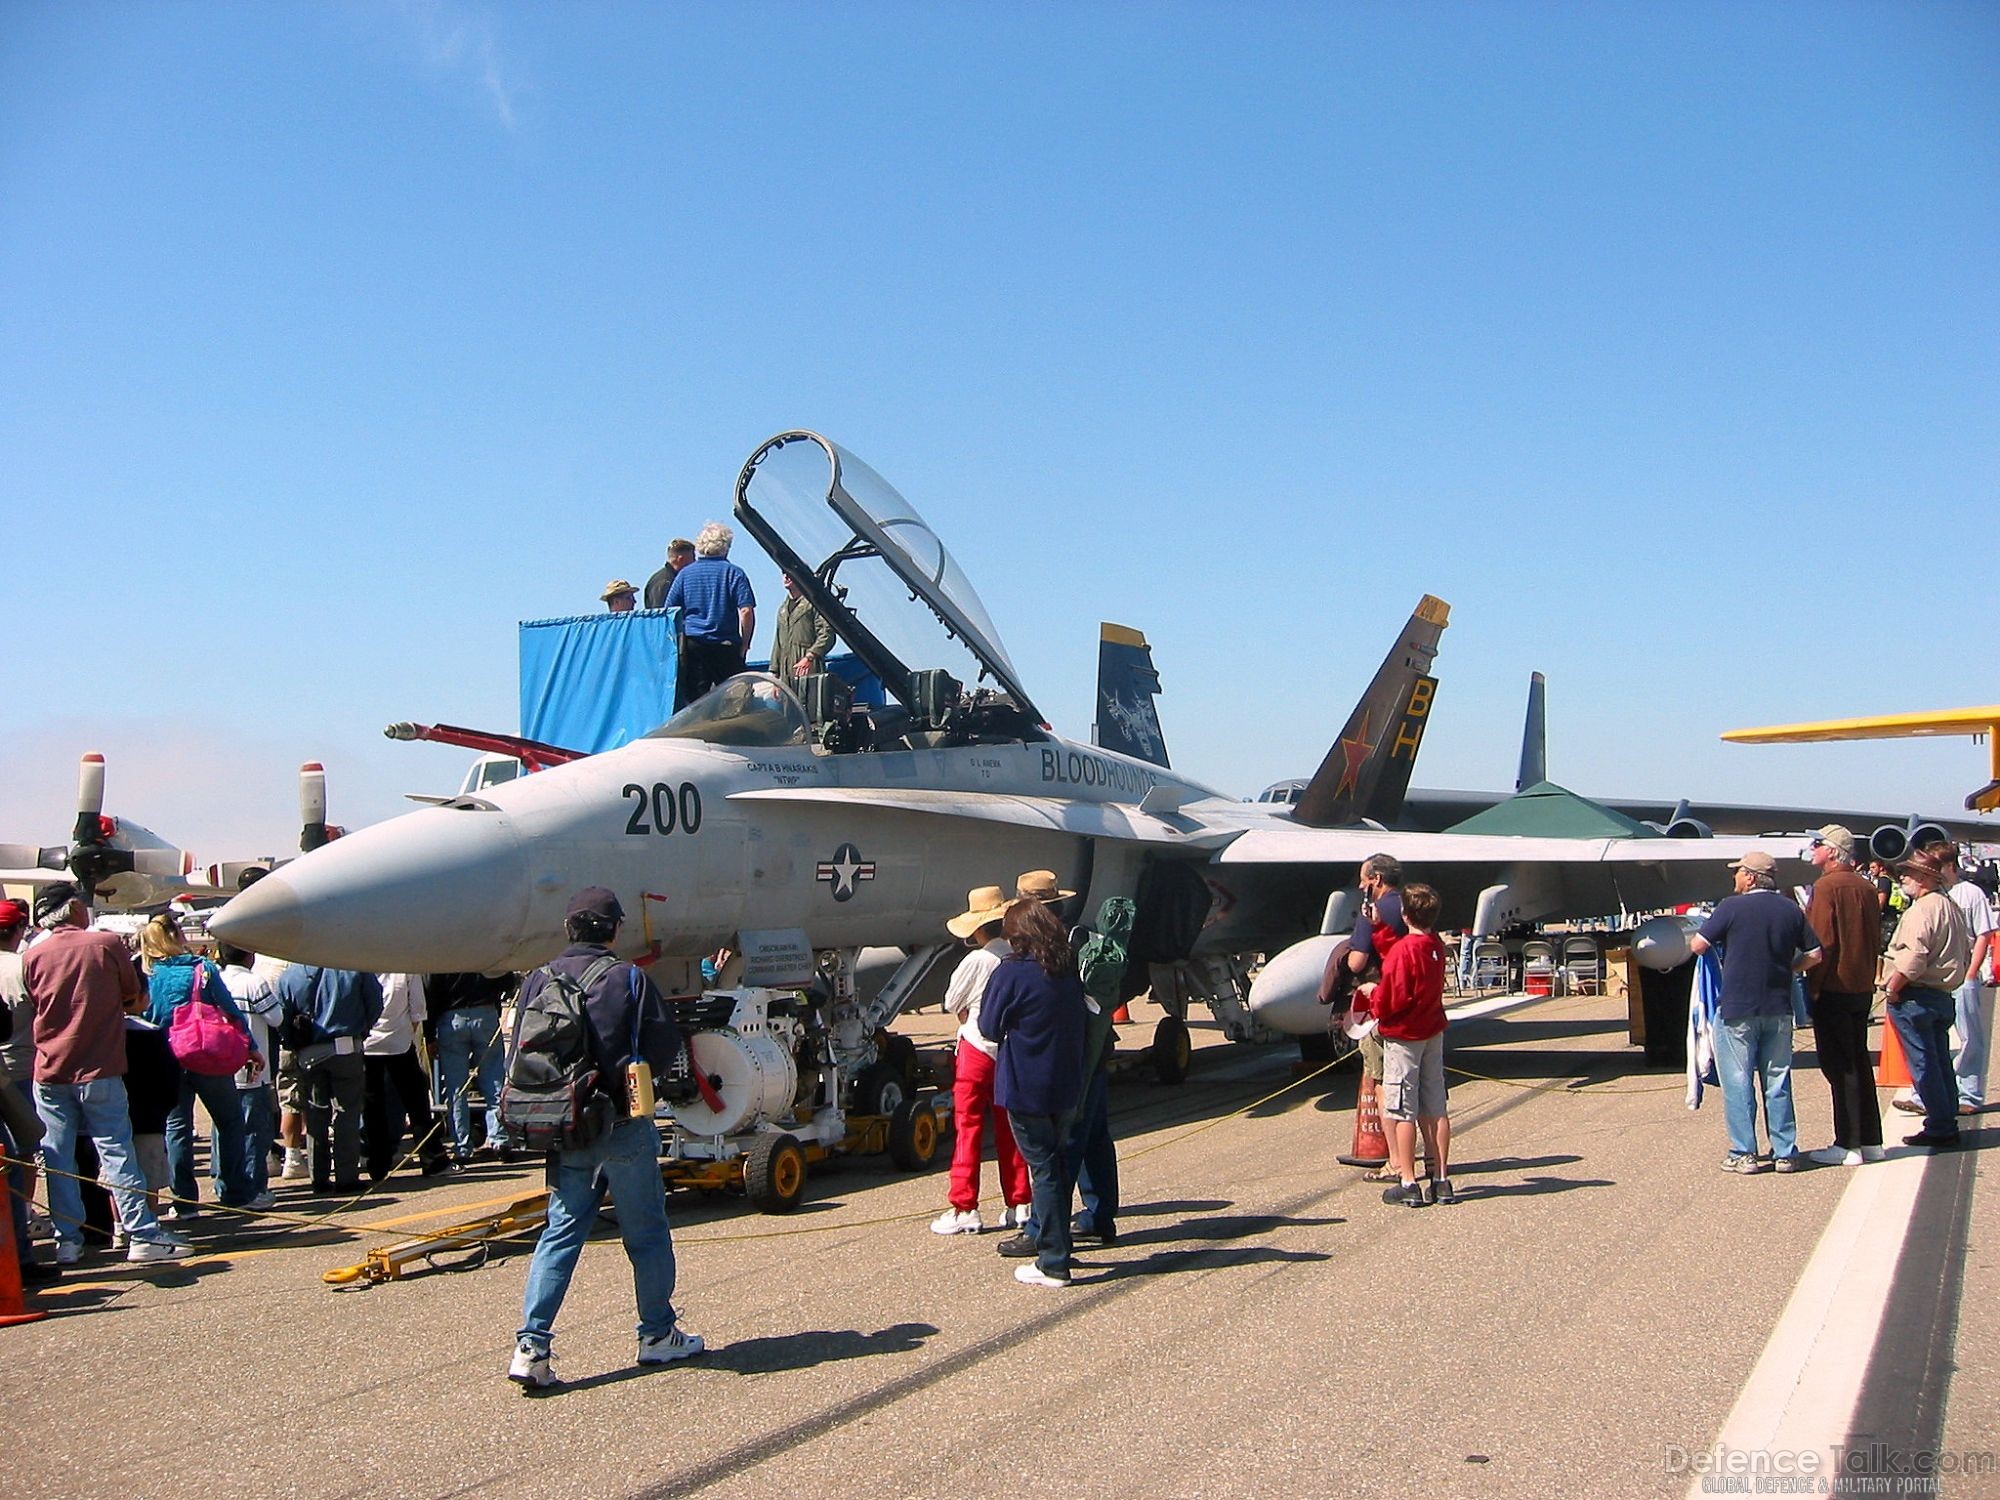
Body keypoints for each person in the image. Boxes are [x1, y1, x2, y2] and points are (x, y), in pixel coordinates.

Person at [509, 887, 702, 1390]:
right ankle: (657, 1335)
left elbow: (518, 1052)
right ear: (615, 929)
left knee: (561, 1232)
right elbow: (661, 1045)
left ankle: (532, 1346)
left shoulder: (537, 979)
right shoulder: (627, 979)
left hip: (564, 1127)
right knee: (647, 1233)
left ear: (569, 927)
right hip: (620, 1122)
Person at [20, 883, 191, 1263]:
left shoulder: (33, 955)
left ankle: (68, 1239)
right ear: (74, 909)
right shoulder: (105, 945)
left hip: (49, 1067)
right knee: (115, 1150)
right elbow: (134, 996)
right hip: (99, 1065)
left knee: (58, 1157)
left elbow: (35, 1002)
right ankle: (141, 1234)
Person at [976, 897, 1089, 1288]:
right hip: (1065, 1080)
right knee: (1055, 1167)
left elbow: (989, 1027)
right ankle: (1054, 1246)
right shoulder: (1066, 967)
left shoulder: (1010, 972)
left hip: (1026, 1082)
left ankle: (1054, 1261)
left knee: (1042, 1169)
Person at [1689, 852, 1822, 1174]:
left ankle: (1744, 1152)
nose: (1734, 878)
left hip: (1737, 1007)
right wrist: (1790, 969)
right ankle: (1785, 1152)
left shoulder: (1730, 908)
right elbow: (1815, 954)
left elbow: (1697, 945)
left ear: (1750, 877)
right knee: (1777, 1080)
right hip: (1778, 1006)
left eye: (1738, 873)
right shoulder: (1790, 909)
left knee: (1738, 1081)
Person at [141, 912, 262, 1213]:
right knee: (230, 1121)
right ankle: (234, 1190)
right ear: (178, 937)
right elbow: (231, 1010)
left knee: (177, 1127)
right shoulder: (201, 968)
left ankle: (184, 1200)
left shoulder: (148, 973)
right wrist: (251, 1047)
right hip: (205, 1053)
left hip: (166, 1057)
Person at [930, 886, 1032, 1237]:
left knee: (969, 1128)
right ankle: (1019, 1202)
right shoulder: (1018, 956)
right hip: (1008, 1050)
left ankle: (965, 1206)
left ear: (976, 928)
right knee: (1010, 1128)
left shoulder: (975, 960)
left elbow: (951, 1002)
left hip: (975, 1047)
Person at [1357, 882, 1452, 1206]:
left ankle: (1408, 1180)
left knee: (1402, 1111)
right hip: (1431, 1030)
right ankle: (1441, 1179)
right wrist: (1378, 928)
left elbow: (1391, 997)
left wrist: (1373, 996)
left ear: (1405, 912)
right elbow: (1398, 954)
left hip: (1404, 1036)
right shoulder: (1434, 944)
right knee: (1435, 1107)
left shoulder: (1404, 951)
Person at [1801, 826, 1885, 1166]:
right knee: (1860, 1061)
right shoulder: (1866, 887)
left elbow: (1822, 943)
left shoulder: (1826, 887)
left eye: (1818, 844)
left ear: (1833, 852)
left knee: (1839, 1064)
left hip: (1834, 985)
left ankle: (1847, 1142)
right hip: (1861, 985)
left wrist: (1815, 985)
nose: (1813, 848)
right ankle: (1871, 1139)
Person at [1881, 845, 1972, 1150]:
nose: (1903, 877)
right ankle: (1945, 1119)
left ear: (1923, 877)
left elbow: (1914, 958)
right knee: (1939, 1062)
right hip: (1941, 995)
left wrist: (1893, 987)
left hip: (1916, 996)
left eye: (1907, 872)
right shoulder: (1949, 906)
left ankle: (1940, 1124)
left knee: (1925, 1065)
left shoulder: (1922, 910)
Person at [274, 964, 382, 1193]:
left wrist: (293, 1042)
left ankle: (319, 1177)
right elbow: (375, 1003)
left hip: (310, 1052)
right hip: (345, 1046)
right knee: (347, 1113)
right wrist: (363, 1028)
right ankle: (346, 1176)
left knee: (315, 1114)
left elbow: (282, 1018)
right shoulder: (351, 967)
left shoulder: (290, 975)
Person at [215, 941, 283, 1207]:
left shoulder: (216, 981)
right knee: (255, 1131)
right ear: (249, 956)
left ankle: (226, 1185)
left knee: (224, 1130)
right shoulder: (254, 983)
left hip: (221, 1067)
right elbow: (276, 1017)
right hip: (252, 1069)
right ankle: (254, 1188)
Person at [363, 973, 449, 1181]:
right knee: (417, 1104)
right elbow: (418, 1009)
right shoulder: (404, 968)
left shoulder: (362, 965)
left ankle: (377, 1163)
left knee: (373, 1108)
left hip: (368, 1044)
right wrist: (406, 1032)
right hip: (399, 1042)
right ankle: (431, 1158)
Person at [664, 521, 756, 707]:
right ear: (726, 547)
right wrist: (745, 643)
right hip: (726, 646)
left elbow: (669, 612)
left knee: (696, 704)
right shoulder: (734, 573)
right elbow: (746, 611)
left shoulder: (684, 575)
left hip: (695, 645)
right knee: (738, 700)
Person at [427, 971, 517, 1163]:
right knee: (494, 1082)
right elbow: (507, 980)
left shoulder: (441, 953)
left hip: (451, 1017)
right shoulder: (482, 947)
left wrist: (429, 1035)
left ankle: (462, 1147)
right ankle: (499, 1140)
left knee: (456, 1089)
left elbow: (431, 992)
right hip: (485, 1012)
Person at [1944, 847, 1996, 1117]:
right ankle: (1927, 1094)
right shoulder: (1934, 894)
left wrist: (1972, 972)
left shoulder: (1971, 893)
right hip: (1938, 977)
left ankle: (1970, 1093)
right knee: (1933, 1037)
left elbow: (1984, 935)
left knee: (1969, 1037)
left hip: (1964, 974)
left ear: (1951, 866)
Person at [770, 572, 834, 683]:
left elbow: (826, 634)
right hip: (786, 675)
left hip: (809, 669)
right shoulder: (782, 610)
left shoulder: (813, 604)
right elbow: (778, 643)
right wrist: (774, 674)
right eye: (784, 573)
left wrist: (809, 657)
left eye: (790, 573)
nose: (786, 576)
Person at [642, 537, 696, 611]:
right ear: (681, 559)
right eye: (693, 558)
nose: (694, 562)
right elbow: (660, 614)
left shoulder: (672, 579)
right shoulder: (664, 582)